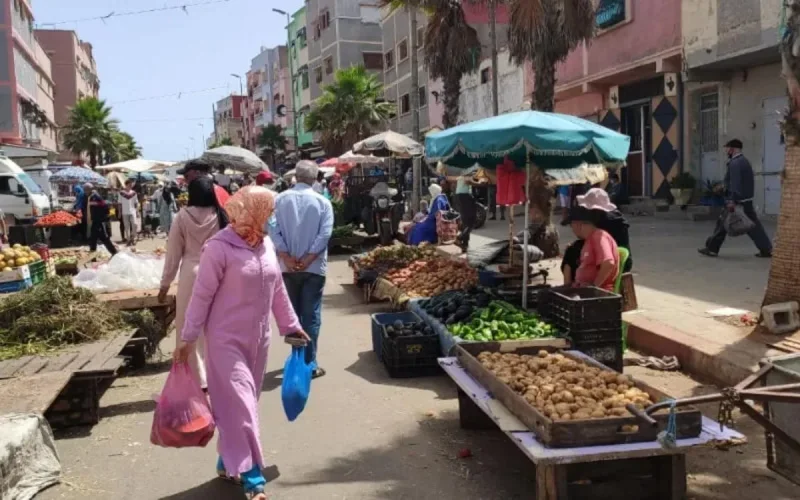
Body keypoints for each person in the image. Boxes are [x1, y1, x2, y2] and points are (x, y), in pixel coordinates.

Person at [174, 186, 309, 500]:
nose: (272, 218)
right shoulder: (217, 248)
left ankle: (228, 460)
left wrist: (291, 326)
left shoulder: (266, 244)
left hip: (257, 342)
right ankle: (252, 479)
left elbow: (277, 291)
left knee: (239, 408)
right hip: (224, 342)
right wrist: (188, 337)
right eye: (269, 211)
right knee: (242, 407)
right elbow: (201, 296)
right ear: (253, 210)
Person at [159, 177, 227, 391]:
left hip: (190, 273)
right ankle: (216, 372)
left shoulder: (182, 216)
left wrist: (165, 284)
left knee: (189, 325)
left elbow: (173, 254)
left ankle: (196, 378)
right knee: (214, 325)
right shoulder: (220, 215)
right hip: (217, 272)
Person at [272, 160, 334, 379]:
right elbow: (324, 235)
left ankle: (298, 357)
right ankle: (309, 362)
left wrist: (286, 256)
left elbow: (271, 228)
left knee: (293, 316)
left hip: (288, 268)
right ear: (316, 178)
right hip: (314, 269)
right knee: (311, 316)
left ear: (296, 177)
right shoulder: (323, 202)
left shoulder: (278, 200)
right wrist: (308, 259)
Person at [699, 139, 773, 258]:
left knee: (723, 224)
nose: (726, 151)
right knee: (752, 226)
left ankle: (712, 249)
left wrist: (731, 200)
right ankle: (766, 249)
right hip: (746, 200)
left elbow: (736, 184)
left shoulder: (735, 163)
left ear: (732, 149)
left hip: (737, 201)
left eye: (727, 149)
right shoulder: (744, 161)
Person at [561, 188, 629, 289]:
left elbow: (608, 262)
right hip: (603, 258)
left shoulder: (599, 234)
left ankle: (567, 286)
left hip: (605, 268)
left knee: (571, 253)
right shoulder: (599, 230)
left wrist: (594, 287)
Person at [564, 205, 620, 291]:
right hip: (580, 288)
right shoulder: (589, 239)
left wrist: (594, 287)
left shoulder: (598, 236)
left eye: (572, 226)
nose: (572, 230)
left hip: (596, 293)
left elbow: (608, 263)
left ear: (579, 224)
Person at [86, 184, 117, 255]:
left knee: (104, 238)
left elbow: (104, 207)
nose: (85, 192)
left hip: (101, 221)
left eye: (86, 190)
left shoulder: (95, 197)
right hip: (95, 221)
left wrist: (108, 216)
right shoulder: (91, 197)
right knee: (93, 238)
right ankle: (92, 255)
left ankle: (114, 252)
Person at [454, 172, 478, 252]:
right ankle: (459, 238)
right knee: (471, 221)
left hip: (462, 196)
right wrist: (480, 183)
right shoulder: (467, 170)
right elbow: (468, 182)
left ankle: (465, 245)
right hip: (464, 196)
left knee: (466, 222)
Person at [119, 179, 139, 246]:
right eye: (129, 185)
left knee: (135, 224)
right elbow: (119, 203)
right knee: (126, 227)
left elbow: (136, 202)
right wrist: (119, 212)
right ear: (126, 185)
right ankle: (128, 240)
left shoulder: (134, 193)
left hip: (132, 211)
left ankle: (133, 237)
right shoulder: (121, 193)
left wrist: (137, 211)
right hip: (125, 212)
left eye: (131, 185)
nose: (131, 186)